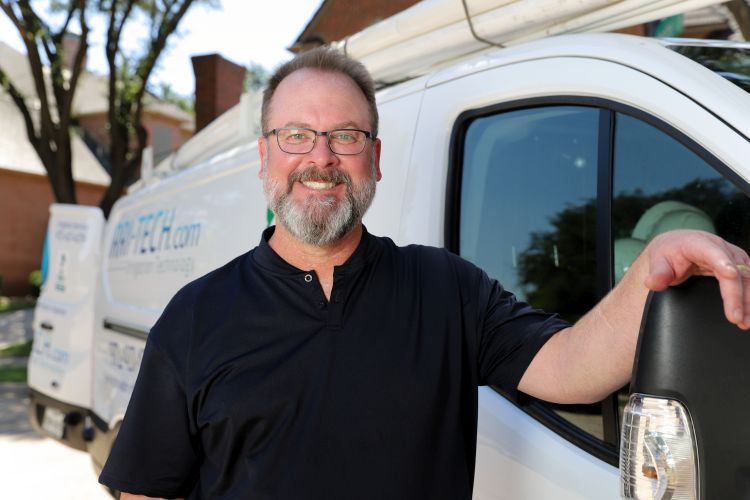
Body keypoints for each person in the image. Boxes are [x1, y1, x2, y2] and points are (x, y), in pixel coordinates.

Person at [100, 47, 750, 500]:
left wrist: (650, 271)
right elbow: (147, 489)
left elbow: (571, 367)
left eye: (346, 137)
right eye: (297, 135)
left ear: (375, 159)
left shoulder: (445, 289)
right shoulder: (194, 317)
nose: (320, 159)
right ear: (266, 157)